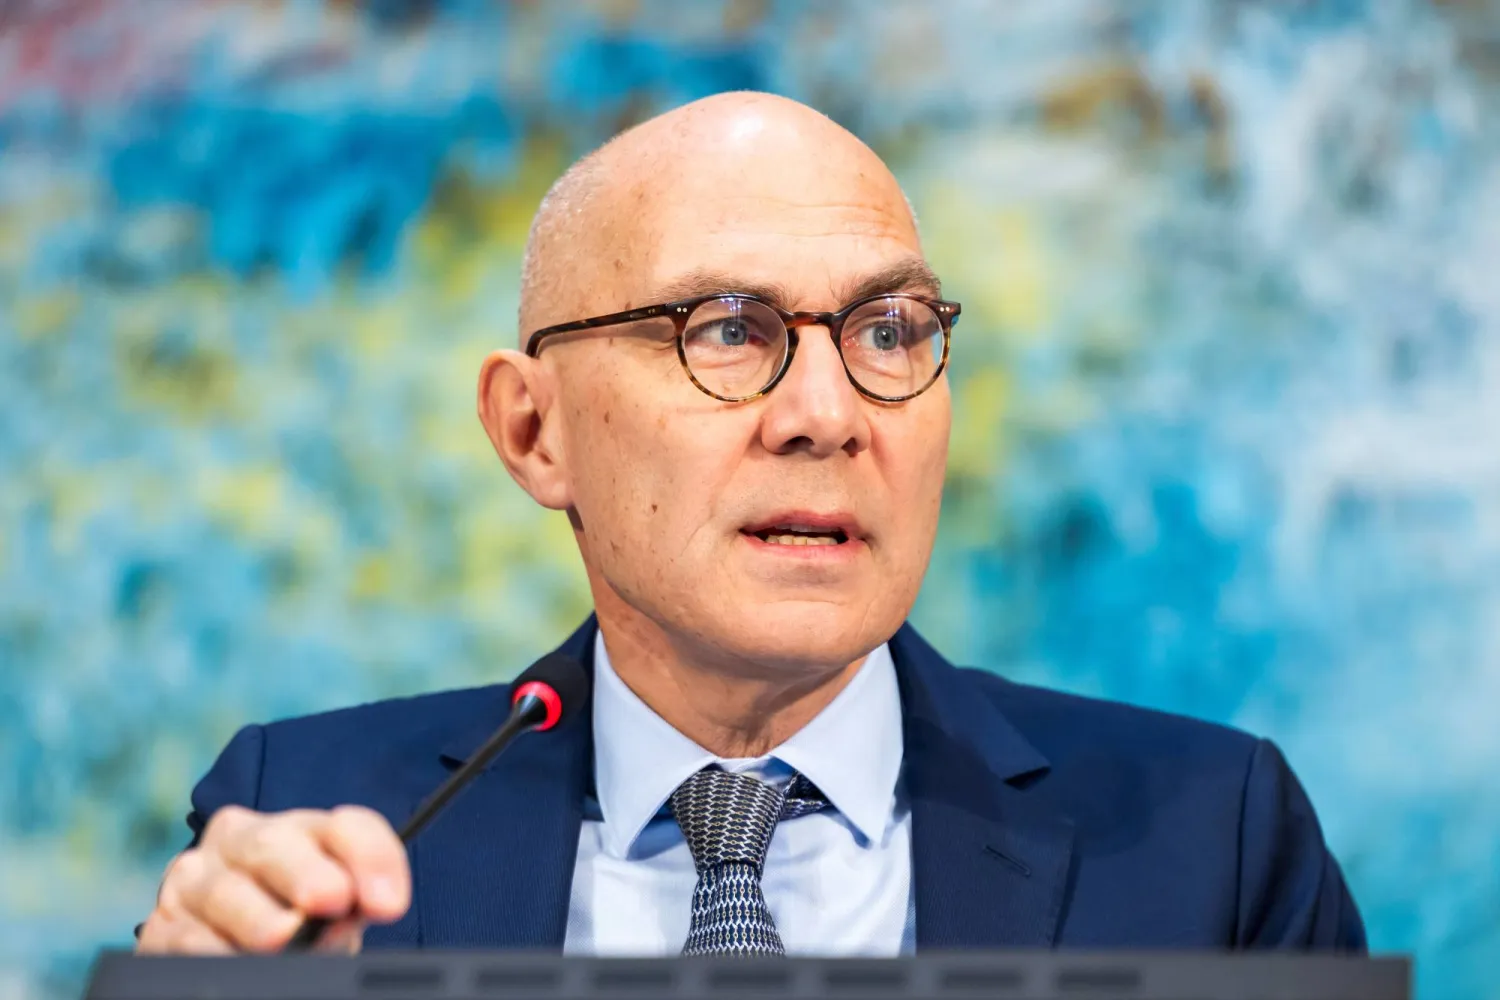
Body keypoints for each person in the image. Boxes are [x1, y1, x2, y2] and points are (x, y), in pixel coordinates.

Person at [135, 91, 1365, 956]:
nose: (826, 415)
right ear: (531, 430)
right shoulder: (310, 816)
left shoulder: (1213, 838)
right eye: (727, 329)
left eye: (889, 334)